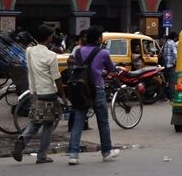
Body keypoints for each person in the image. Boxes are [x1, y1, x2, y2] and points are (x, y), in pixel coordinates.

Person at [13, 24, 69, 164]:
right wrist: (63, 96)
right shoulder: (51, 55)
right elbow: (57, 77)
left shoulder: (30, 51)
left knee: (35, 121)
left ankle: (22, 139)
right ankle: (42, 155)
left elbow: (32, 47)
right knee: (48, 125)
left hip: (35, 92)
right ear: (49, 38)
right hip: (49, 92)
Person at [67, 26, 120, 165]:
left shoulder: (78, 51)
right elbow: (111, 69)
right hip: (97, 89)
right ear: (98, 39)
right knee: (103, 122)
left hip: (81, 89)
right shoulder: (103, 52)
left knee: (78, 122)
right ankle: (106, 152)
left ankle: (73, 154)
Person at [161, 31, 177, 101]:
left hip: (165, 65)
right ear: (175, 37)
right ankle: (172, 96)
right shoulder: (172, 43)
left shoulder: (166, 43)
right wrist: (176, 62)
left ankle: (164, 96)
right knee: (171, 82)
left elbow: (161, 53)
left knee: (165, 81)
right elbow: (175, 54)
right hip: (171, 65)